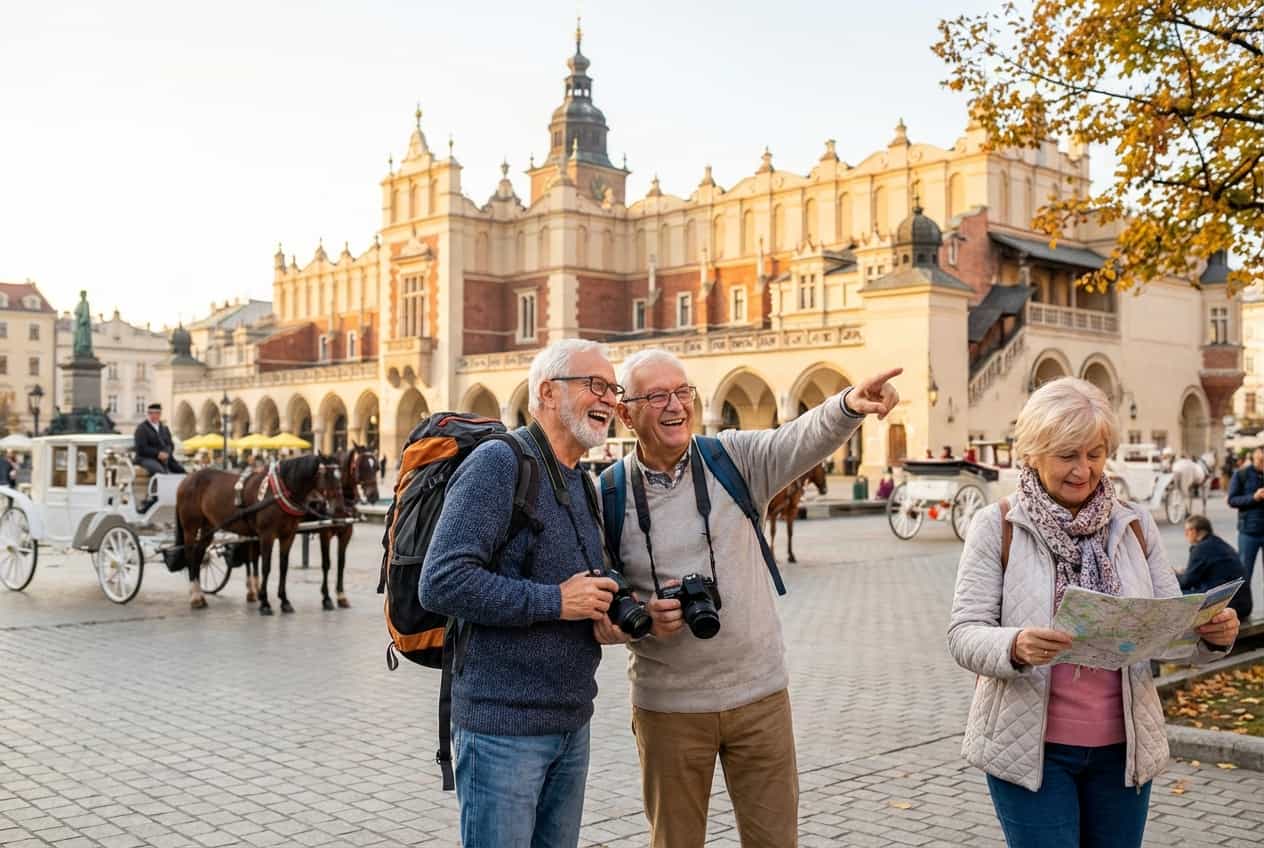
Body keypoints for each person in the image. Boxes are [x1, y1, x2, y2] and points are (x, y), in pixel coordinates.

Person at [598, 348, 901, 848]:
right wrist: (645, 618)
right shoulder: (607, 494)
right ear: (625, 414)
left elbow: (797, 439)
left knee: (774, 840)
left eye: (682, 392)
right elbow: (602, 608)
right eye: (656, 396)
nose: (675, 405)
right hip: (668, 708)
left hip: (760, 698)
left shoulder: (732, 458)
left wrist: (848, 404)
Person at [948, 377, 1238, 848]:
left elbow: (1170, 629)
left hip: (1123, 752)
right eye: (1067, 455)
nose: (1083, 470)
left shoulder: (1135, 523)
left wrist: (1211, 635)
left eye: (1095, 454)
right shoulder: (997, 525)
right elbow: (963, 634)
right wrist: (1015, 645)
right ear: (1033, 453)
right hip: (1029, 751)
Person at [420, 338, 622, 848]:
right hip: (502, 730)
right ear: (548, 392)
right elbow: (441, 580)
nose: (609, 398)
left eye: (613, 388)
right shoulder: (499, 463)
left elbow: (579, 584)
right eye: (595, 384)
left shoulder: (582, 482)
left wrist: (610, 612)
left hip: (572, 722)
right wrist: (556, 602)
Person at [1180, 514, 1252, 621]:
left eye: (1186, 531)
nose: (1185, 535)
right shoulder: (1218, 543)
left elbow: (1186, 582)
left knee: (1176, 594)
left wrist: (1173, 575)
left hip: (1229, 606)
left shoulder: (1201, 548)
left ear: (1193, 531)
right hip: (1244, 605)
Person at [1227, 446, 1264, 614]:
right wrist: (1254, 497)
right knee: (1245, 573)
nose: (1263, 464)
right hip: (1249, 532)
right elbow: (1232, 500)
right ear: (1253, 459)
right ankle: (1243, 612)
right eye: (1260, 461)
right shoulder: (1241, 474)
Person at [133, 403, 185, 475]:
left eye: (157, 413)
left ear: (160, 414)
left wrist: (167, 453)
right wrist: (157, 454)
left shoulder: (164, 428)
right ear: (148, 414)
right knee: (160, 472)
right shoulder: (142, 428)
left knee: (181, 471)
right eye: (151, 413)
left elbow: (170, 444)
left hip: (165, 457)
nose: (154, 416)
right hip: (146, 458)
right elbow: (141, 448)